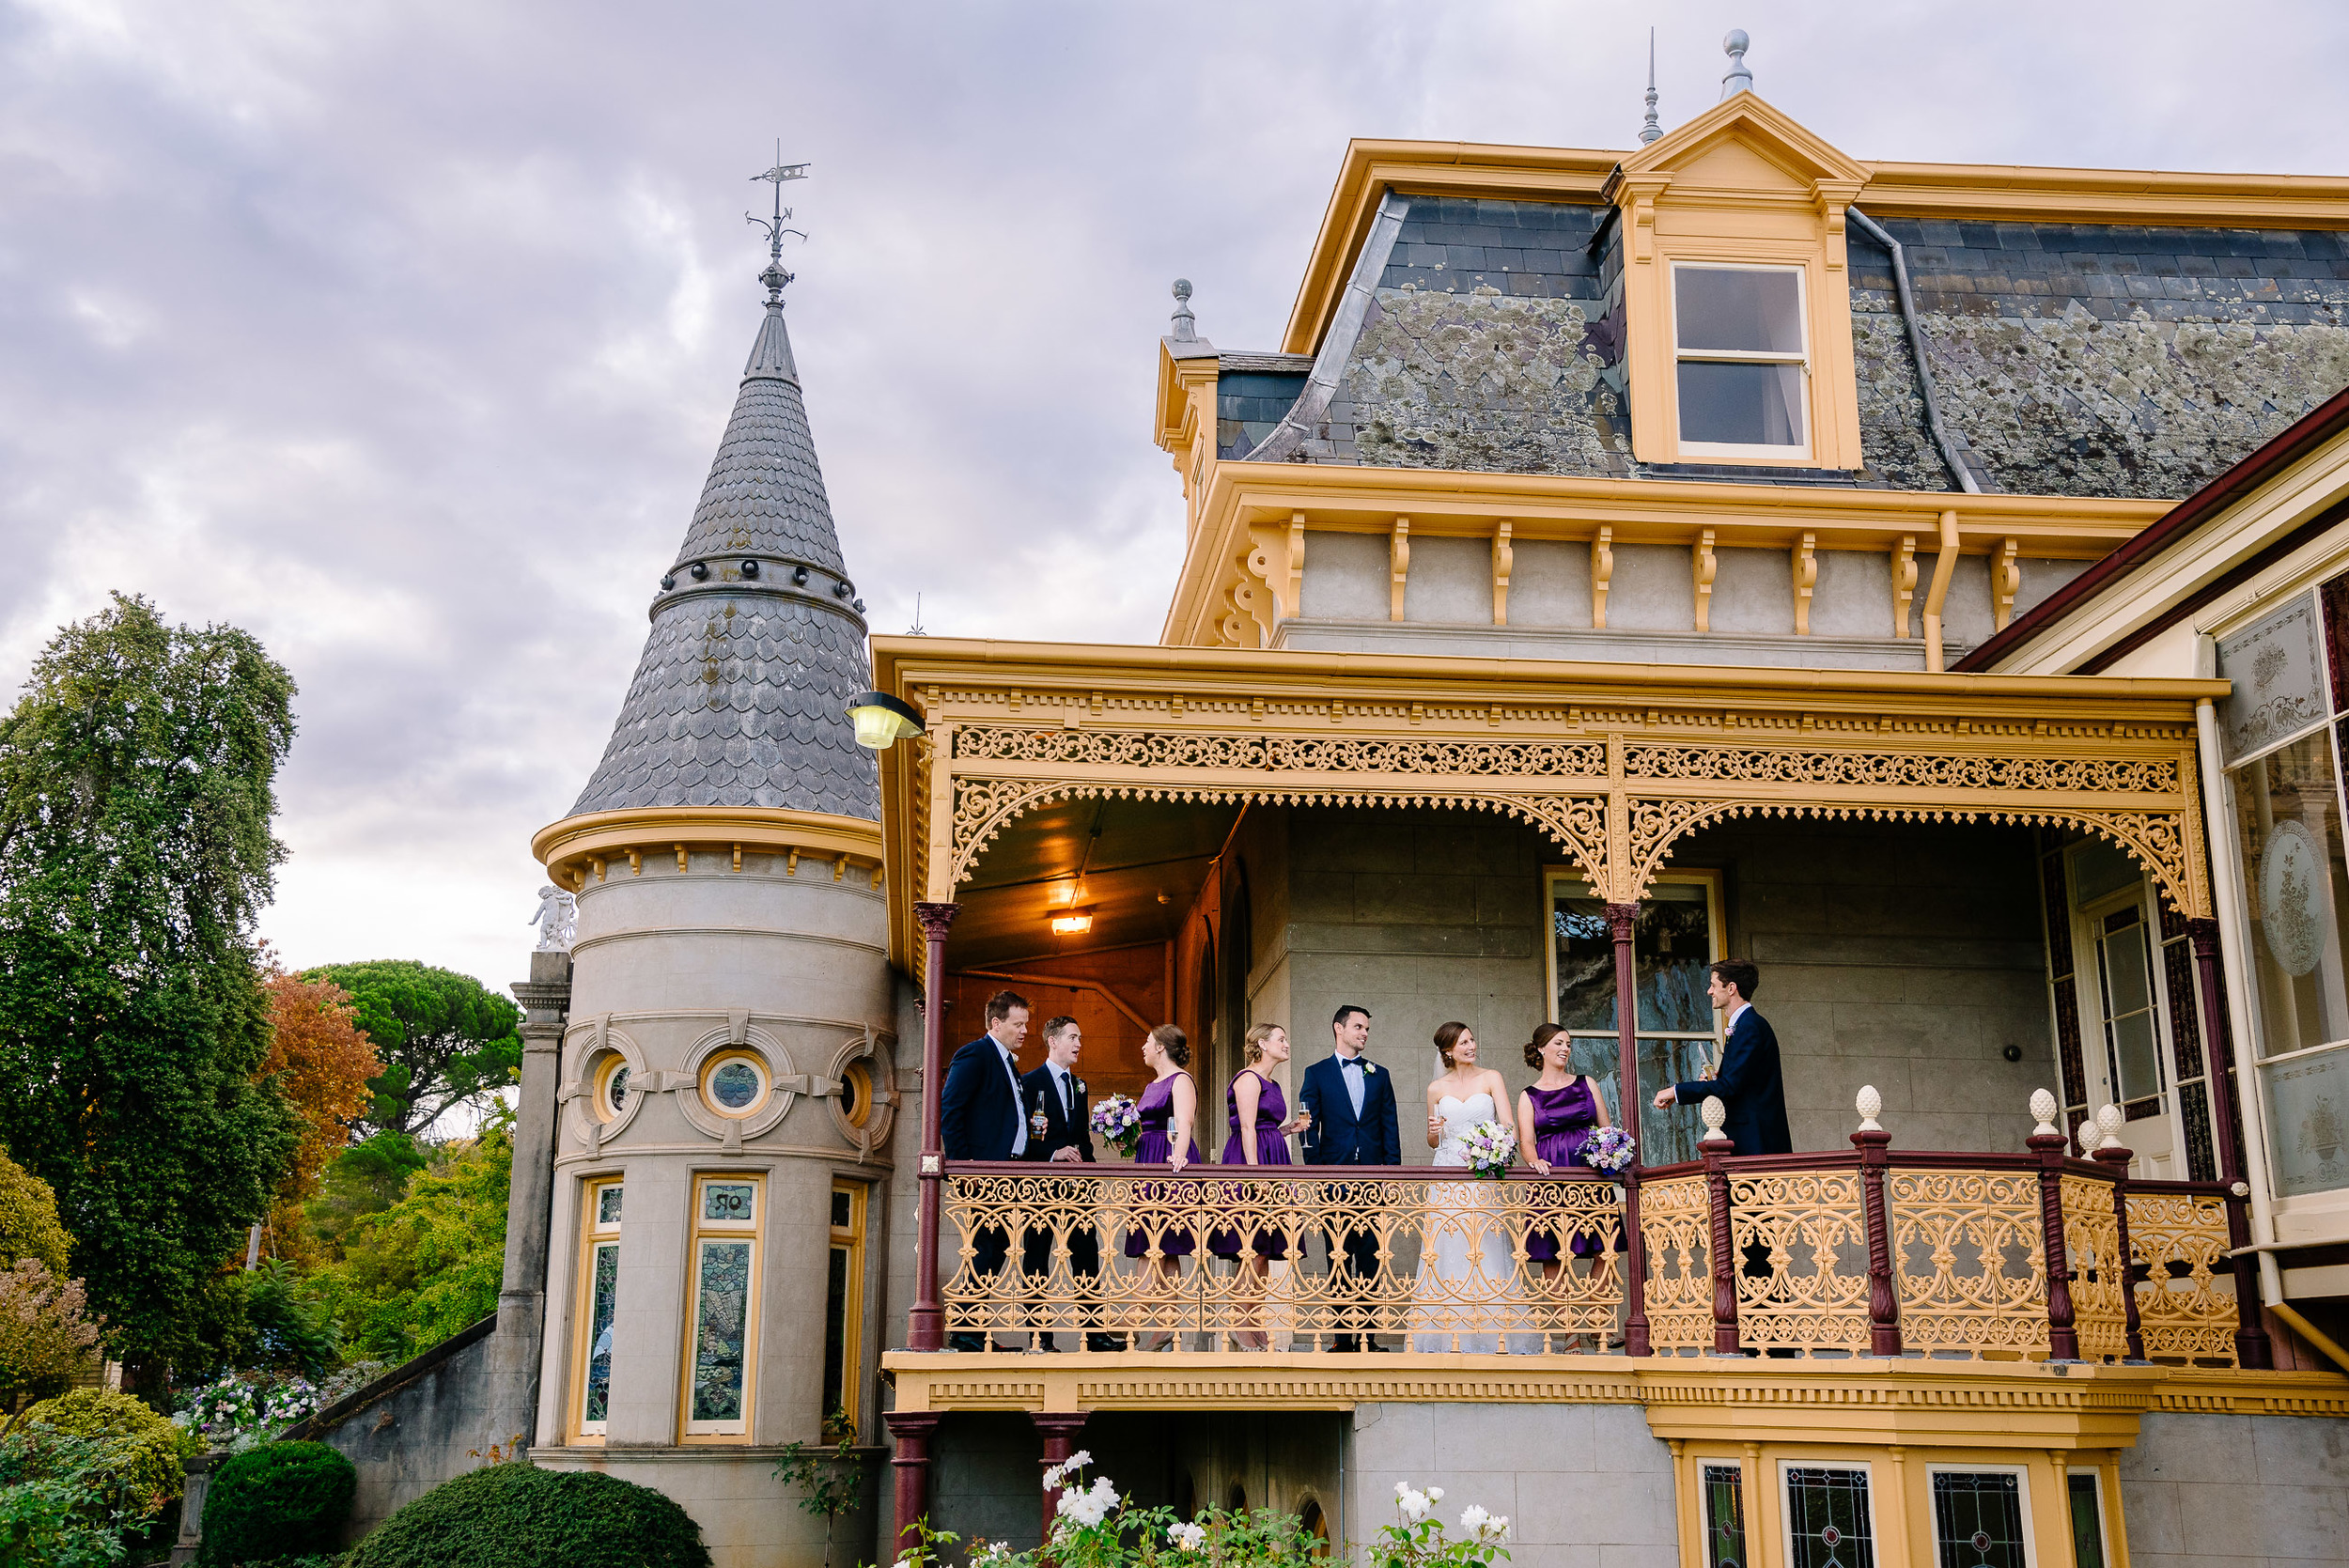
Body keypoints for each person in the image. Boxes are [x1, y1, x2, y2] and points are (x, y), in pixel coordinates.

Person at [1409, 1023, 1537, 1354]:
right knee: (1449, 1245)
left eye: (1472, 1039)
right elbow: (1433, 1141)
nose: (1471, 1045)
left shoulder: (1491, 1077)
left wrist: (1495, 1146)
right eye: (1463, 1042)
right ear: (1448, 1050)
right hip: (1448, 1174)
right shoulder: (1436, 1088)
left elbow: (1508, 1125)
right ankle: (1448, 1331)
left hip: (1481, 1174)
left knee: (1485, 1245)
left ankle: (1495, 1332)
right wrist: (1434, 1130)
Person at [1299, 1003, 1401, 1351]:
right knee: (1338, 1259)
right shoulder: (1317, 1073)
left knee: (1372, 1259)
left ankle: (1368, 1339)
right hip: (1335, 1177)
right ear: (1338, 1029)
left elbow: (1391, 1128)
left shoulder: (1380, 1074)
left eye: (1367, 1029)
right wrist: (1315, 1168)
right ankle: (1343, 1340)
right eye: (1358, 1027)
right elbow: (1306, 1124)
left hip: (1374, 1180)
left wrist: (1393, 1176)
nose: (1365, 1033)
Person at [1019, 1017, 1123, 1352]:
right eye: (1073, 1037)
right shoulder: (1029, 1082)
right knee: (1036, 1258)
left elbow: (1082, 1141)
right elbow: (1024, 1137)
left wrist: (1091, 1171)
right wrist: (1052, 1153)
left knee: (1086, 1255)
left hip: (1078, 1186)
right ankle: (1040, 1338)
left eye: (1081, 1037)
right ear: (1053, 1041)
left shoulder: (1080, 1085)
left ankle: (1095, 1335)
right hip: (1041, 1183)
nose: (1079, 1043)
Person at [1207, 1023, 1311, 1351]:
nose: (1287, 1044)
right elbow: (1248, 1129)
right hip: (1249, 1164)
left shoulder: (1272, 1082)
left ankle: (1254, 1320)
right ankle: (1241, 1323)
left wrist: (1289, 1130)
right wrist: (1255, 1177)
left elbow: (1265, 1130)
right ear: (1263, 1044)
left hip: (1271, 1158)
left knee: (1265, 1249)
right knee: (1250, 1247)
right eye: (1281, 1038)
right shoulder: (1248, 1079)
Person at [939, 989, 1032, 1351]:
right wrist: (965, 1166)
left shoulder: (1009, 1062)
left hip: (1009, 1173)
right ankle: (965, 1332)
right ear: (996, 1023)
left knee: (995, 1250)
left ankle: (975, 1332)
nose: (1024, 1031)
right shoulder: (976, 1054)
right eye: (1018, 1024)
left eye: (1025, 1024)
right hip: (983, 1173)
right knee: (982, 1250)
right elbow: (951, 1109)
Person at [1517, 1022, 1615, 1350]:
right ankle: (1570, 1330)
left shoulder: (1587, 1083)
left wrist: (1610, 1153)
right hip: (1552, 1177)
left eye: (1569, 1043)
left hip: (1589, 1175)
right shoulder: (1528, 1095)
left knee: (1604, 1248)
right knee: (1554, 1254)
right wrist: (1534, 1161)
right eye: (1559, 1043)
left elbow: (1605, 1127)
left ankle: (1598, 1322)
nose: (1565, 1048)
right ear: (1542, 1049)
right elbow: (1526, 1141)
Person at [1652, 960, 1792, 1156]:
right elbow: (1740, 1082)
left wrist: (1676, 1092)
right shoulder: (1745, 1025)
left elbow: (1730, 1087)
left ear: (1731, 988)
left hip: (1755, 1146)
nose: (1710, 991)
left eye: (1714, 985)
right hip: (1749, 1141)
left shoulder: (1750, 1026)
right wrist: (1716, 1081)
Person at [1122, 1023, 1201, 1351]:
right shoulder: (1152, 1083)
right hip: (1148, 1160)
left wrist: (1177, 1162)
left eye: (1147, 1042)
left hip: (1169, 1165)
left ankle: (1134, 1316)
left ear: (1160, 1047)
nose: (1143, 1046)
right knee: (1158, 1244)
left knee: (1159, 1240)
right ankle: (1165, 1325)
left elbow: (1184, 1122)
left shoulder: (1180, 1080)